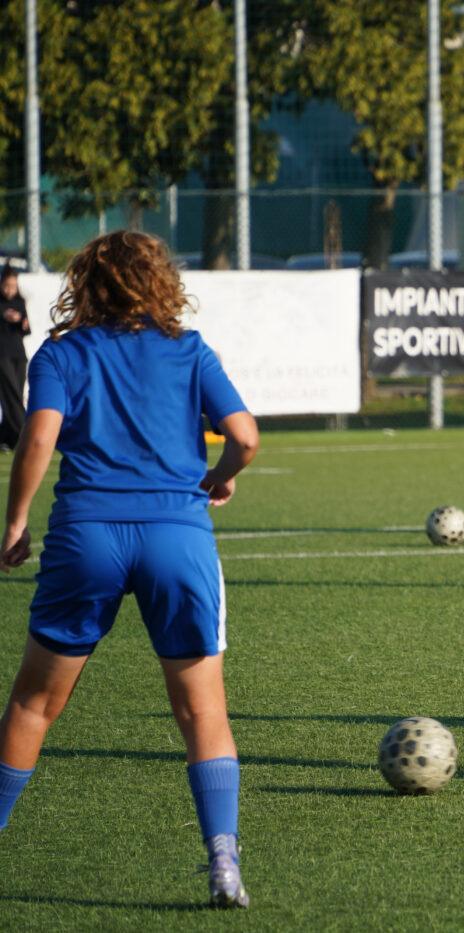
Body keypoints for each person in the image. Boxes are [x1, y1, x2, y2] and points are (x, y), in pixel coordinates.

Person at [0, 232, 260, 908]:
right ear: (160, 282)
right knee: (202, 709)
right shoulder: (189, 349)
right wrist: (219, 476)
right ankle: (224, 863)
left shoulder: (61, 352)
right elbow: (245, 436)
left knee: (34, 703)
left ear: (85, 284)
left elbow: (39, 436)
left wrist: (16, 520)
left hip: (86, 537)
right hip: (178, 538)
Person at [0, 265, 31, 449]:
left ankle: (7, 438)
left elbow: (26, 330)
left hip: (18, 354)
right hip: (2, 355)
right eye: (6, 286)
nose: (9, 290)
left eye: (12, 286)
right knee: (11, 394)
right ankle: (23, 433)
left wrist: (23, 323)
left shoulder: (20, 303)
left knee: (16, 394)